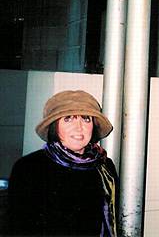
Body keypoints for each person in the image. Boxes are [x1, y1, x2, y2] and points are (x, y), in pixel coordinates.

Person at [7, 90, 118, 236]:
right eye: (68, 119)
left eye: (86, 119)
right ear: (55, 126)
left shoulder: (105, 166)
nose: (79, 127)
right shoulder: (29, 168)